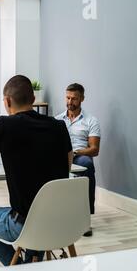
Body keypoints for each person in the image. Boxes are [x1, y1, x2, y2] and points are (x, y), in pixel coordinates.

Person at [0, 75, 73, 266]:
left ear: (7, 101)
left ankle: (17, 269)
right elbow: (67, 166)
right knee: (38, 213)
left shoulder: (2, 125)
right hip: (60, 221)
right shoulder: (59, 126)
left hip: (23, 224)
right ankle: (31, 265)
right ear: (33, 100)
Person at [55, 83, 100, 237]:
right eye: (68, 97)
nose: (70, 101)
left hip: (79, 155)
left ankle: (85, 220)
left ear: (82, 99)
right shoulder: (57, 120)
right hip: (59, 155)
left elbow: (94, 149)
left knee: (87, 164)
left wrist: (75, 152)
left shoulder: (91, 121)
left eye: (74, 98)